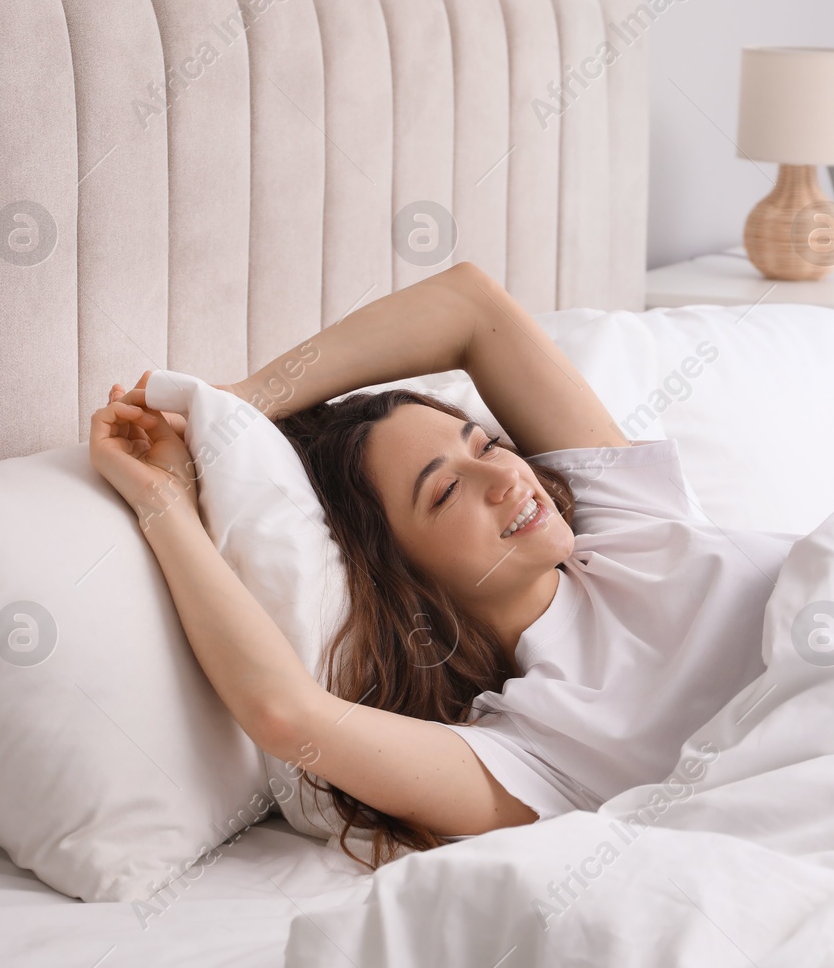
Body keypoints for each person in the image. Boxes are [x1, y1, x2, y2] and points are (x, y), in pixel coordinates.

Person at [88, 262, 792, 867]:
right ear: (406, 575)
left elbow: (468, 306)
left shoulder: (622, 521)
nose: (509, 478)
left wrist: (232, 405)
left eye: (484, 445)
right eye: (447, 489)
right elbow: (286, 714)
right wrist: (165, 504)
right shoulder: (528, 747)